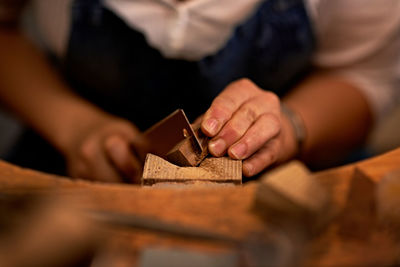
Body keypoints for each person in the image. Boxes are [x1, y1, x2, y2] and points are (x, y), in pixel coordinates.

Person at [0, 0, 399, 183]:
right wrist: (74, 126)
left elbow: (367, 75)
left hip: (286, 174)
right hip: (72, 156)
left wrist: (292, 124)